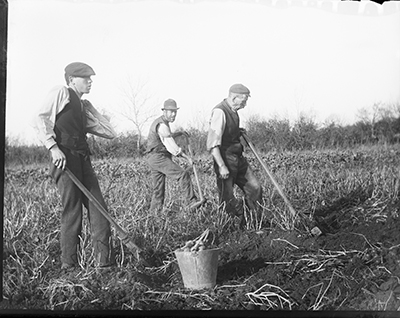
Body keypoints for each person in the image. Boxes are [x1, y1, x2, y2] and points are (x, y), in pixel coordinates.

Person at [36, 62, 116, 271]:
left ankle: (104, 263)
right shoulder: (61, 92)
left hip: (82, 158)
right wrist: (53, 147)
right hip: (64, 158)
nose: (90, 82)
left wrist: (93, 111)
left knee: (98, 208)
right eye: (85, 78)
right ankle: (69, 265)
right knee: (72, 211)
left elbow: (109, 132)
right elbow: (40, 118)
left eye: (91, 78)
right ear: (72, 79)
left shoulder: (82, 106)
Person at [206, 83, 262, 223]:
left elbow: (228, 132)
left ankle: (253, 222)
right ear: (233, 97)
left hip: (238, 157)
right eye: (243, 101)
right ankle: (231, 228)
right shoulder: (220, 112)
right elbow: (213, 144)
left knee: (255, 188)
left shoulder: (233, 112)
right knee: (227, 197)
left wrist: (239, 131)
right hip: (225, 159)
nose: (245, 104)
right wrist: (221, 165)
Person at [146, 99, 197, 213]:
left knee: (158, 190)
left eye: (175, 112)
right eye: (170, 112)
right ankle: (191, 202)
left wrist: (179, 134)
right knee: (183, 175)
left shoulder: (161, 123)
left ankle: (154, 215)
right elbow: (171, 146)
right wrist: (186, 157)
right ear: (164, 112)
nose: (173, 114)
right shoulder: (162, 125)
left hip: (153, 158)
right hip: (158, 157)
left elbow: (166, 137)